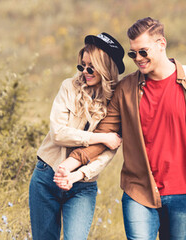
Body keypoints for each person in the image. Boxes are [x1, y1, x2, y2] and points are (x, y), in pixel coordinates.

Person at [58, 17, 186, 240]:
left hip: (183, 192)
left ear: (161, 44)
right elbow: (103, 136)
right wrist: (70, 164)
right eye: (133, 54)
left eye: (143, 52)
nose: (138, 59)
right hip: (138, 191)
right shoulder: (126, 89)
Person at [28, 32, 126, 240]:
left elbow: (108, 153)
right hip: (47, 176)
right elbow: (59, 134)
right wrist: (100, 138)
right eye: (82, 66)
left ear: (106, 68)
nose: (85, 72)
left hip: (83, 185)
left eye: (91, 67)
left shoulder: (117, 102)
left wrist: (79, 175)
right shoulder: (68, 87)